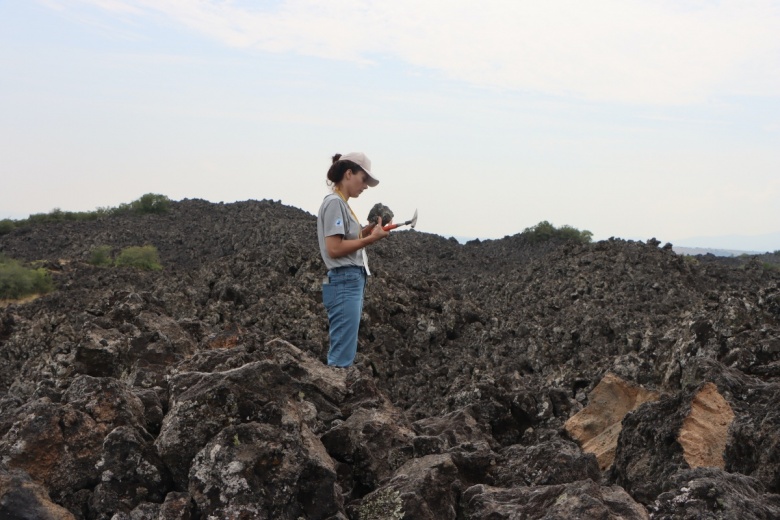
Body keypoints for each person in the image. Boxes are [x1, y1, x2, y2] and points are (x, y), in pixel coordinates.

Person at [317, 152, 390, 367]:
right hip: (344, 281)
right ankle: (335, 392)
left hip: (349, 280)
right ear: (349, 173)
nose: (365, 185)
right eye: (363, 179)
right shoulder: (334, 203)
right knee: (341, 354)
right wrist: (371, 240)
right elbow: (334, 248)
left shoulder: (342, 204)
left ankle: (337, 390)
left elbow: (345, 241)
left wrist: (368, 232)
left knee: (345, 348)